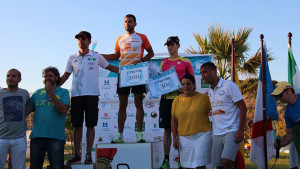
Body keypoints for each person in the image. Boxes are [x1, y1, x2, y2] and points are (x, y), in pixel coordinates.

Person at [60, 31, 119, 164]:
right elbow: (65, 76)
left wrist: (124, 71)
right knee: (77, 126)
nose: (81, 41)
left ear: (89, 41)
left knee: (91, 125)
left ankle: (88, 154)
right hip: (76, 95)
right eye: (79, 39)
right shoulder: (71, 58)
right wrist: (54, 86)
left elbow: (110, 67)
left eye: (84, 38)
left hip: (92, 95)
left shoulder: (96, 56)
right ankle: (76, 154)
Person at [102, 14, 154, 143]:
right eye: (125, 22)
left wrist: (142, 60)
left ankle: (140, 134)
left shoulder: (142, 37)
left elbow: (151, 53)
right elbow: (115, 56)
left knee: (138, 103)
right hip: (124, 73)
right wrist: (99, 55)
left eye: (130, 21)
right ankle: (120, 135)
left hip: (137, 72)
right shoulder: (120, 39)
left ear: (135, 23)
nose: (127, 24)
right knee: (122, 105)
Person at [200, 62, 247, 169]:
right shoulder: (210, 91)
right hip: (216, 133)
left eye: (205, 72)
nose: (203, 76)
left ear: (214, 71)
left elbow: (243, 107)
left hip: (232, 130)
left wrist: (240, 130)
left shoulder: (229, 85)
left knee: (226, 160)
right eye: (201, 73)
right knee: (219, 165)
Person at [159, 36, 194, 169]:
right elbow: (160, 80)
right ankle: (166, 160)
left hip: (181, 99)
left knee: (181, 130)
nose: (170, 47)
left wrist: (184, 89)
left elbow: (192, 81)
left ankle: (181, 161)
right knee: (167, 130)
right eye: (168, 45)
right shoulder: (163, 63)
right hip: (166, 99)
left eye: (172, 44)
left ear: (178, 45)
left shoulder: (185, 62)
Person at [27, 67, 70, 169]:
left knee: (56, 167)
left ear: (56, 78)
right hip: (37, 137)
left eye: (50, 76)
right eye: (45, 76)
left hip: (56, 138)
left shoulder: (64, 92)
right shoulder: (37, 93)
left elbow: (63, 110)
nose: (47, 78)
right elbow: (26, 111)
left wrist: (51, 93)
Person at [171, 74, 212, 169]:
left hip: (202, 135)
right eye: (183, 84)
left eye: (188, 84)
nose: (185, 86)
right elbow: (173, 120)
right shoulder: (176, 100)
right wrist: (174, 138)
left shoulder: (204, 98)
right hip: (184, 137)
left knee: (201, 165)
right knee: (187, 166)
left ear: (194, 85)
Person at [0, 69, 30, 169]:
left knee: (19, 167)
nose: (10, 78)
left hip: (19, 138)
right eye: (8, 76)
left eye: (13, 76)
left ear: (19, 79)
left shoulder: (24, 93)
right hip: (1, 137)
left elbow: (30, 107)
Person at [272, 81, 300, 169]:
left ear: (289, 91)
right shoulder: (288, 113)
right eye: (276, 97)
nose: (279, 98)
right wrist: (280, 144)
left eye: (280, 95)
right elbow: (290, 135)